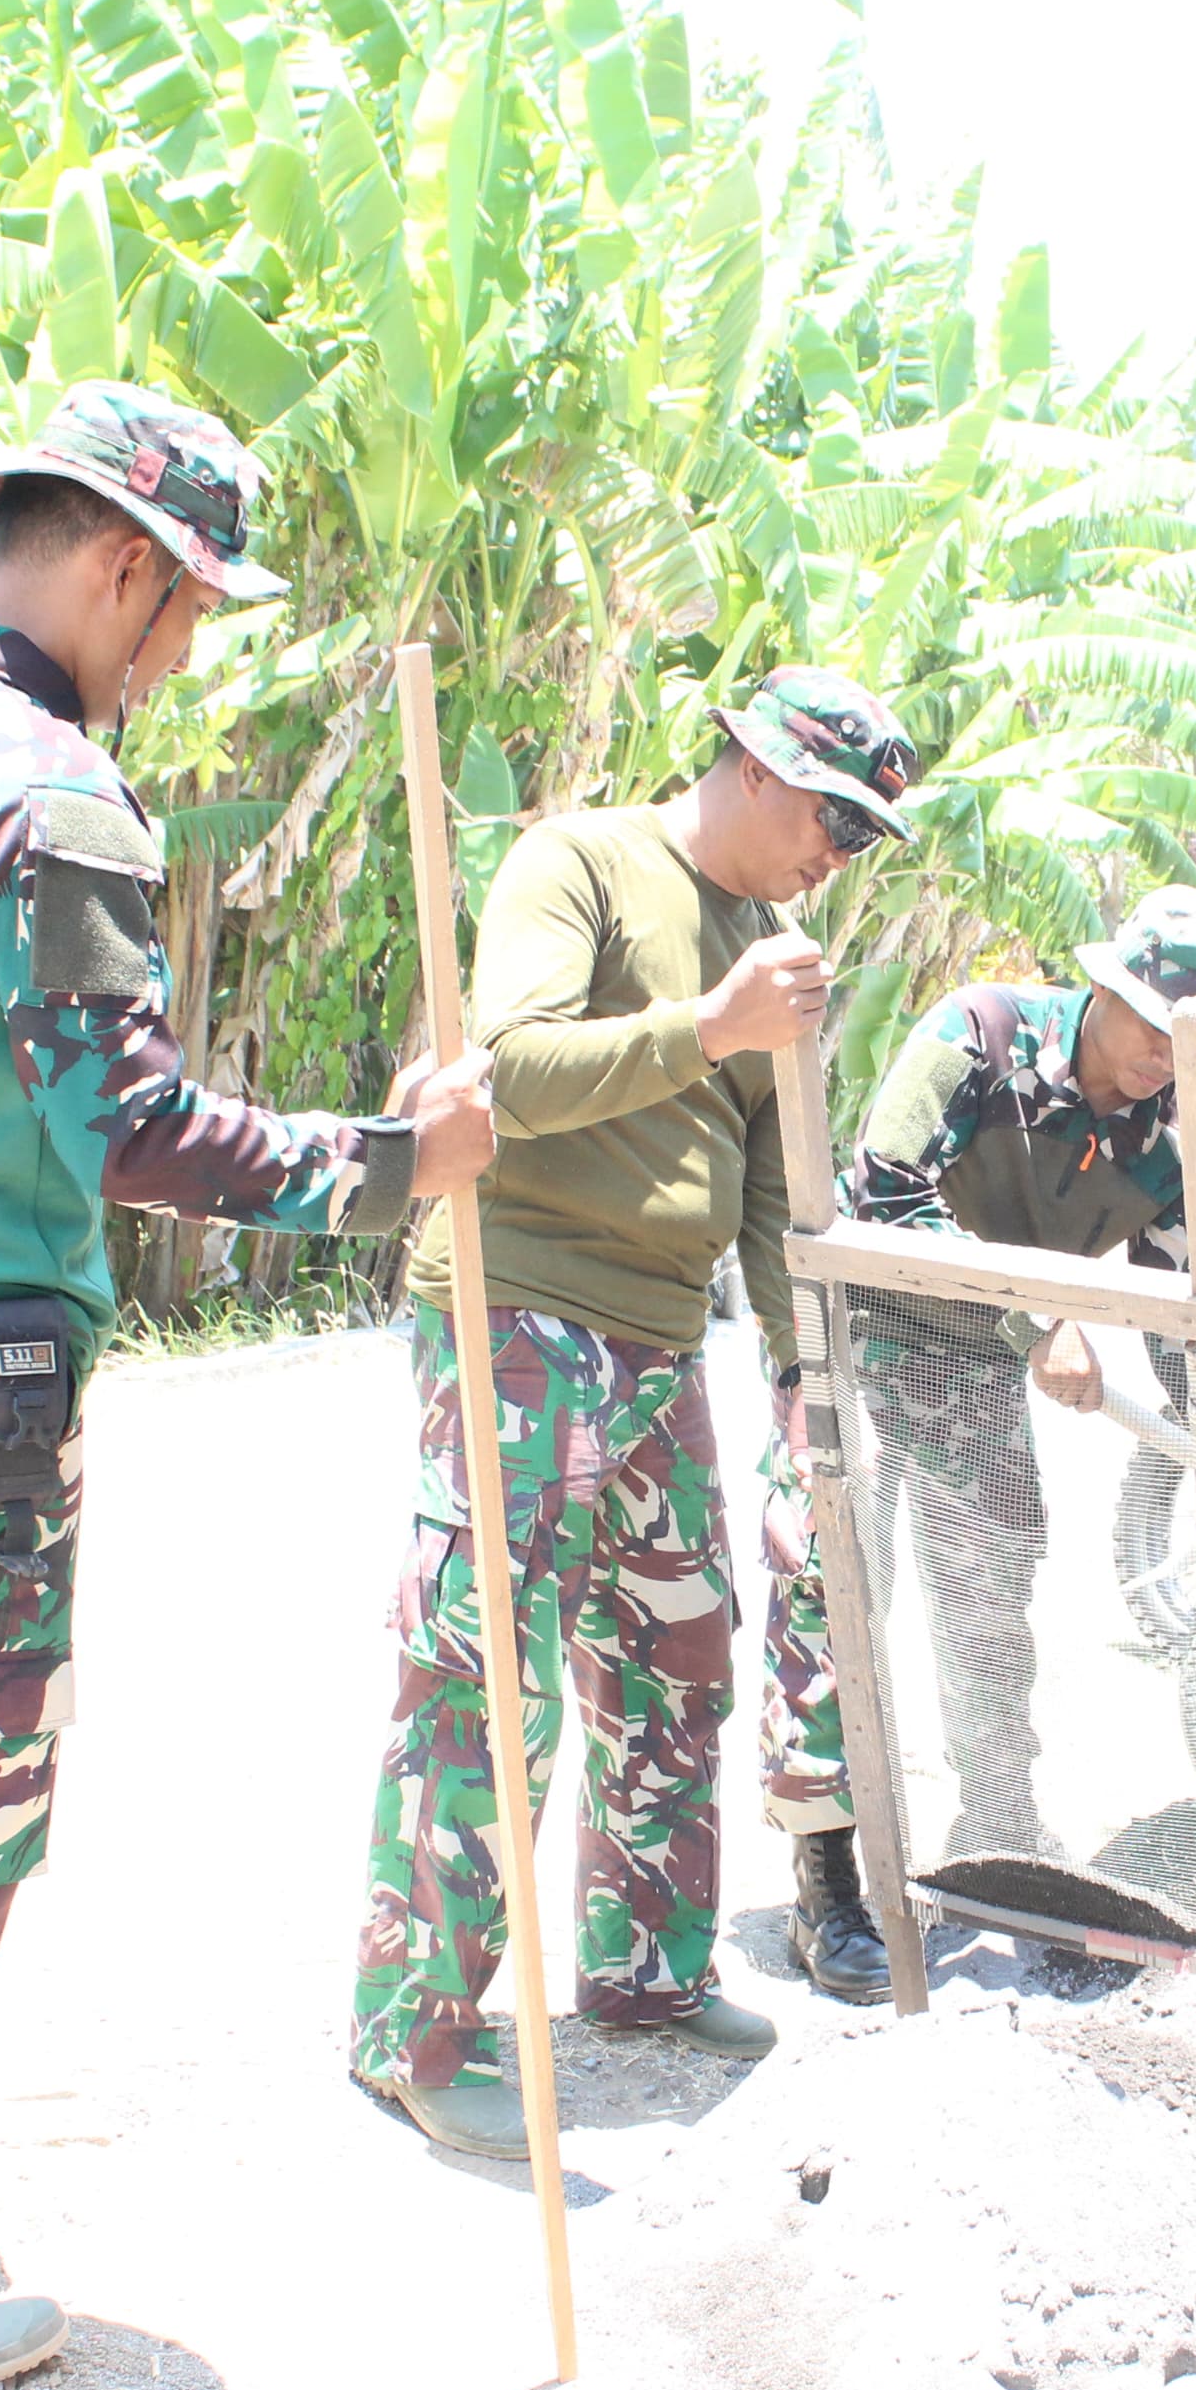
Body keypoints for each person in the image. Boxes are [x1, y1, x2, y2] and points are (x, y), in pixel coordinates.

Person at [0, 382, 496, 2390]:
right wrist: (399, 1168)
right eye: (188, 620)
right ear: (124, 567)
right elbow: (126, 1128)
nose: (178, 665)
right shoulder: (35, 779)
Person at [344, 668, 923, 2159]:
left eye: (866, 838)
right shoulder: (584, 863)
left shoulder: (778, 961)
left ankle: (647, 1973)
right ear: (745, 762)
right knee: (486, 1676)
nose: (837, 855)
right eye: (830, 817)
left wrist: (805, 1374)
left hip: (661, 1343)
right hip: (515, 1308)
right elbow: (508, 1076)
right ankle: (416, 2028)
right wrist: (709, 1026)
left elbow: (784, 1197)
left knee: (677, 1659)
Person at [754, 886, 1196, 1999]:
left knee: (988, 1610)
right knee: (833, 1605)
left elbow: (1184, 1312)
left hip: (972, 1378)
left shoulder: (1168, 1136)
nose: (1164, 1055)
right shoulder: (983, 1034)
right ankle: (827, 1884)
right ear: (1102, 984)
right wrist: (1036, 1315)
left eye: (1190, 1038)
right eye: (1152, 1023)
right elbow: (882, 1192)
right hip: (856, 1344)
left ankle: (998, 1847)